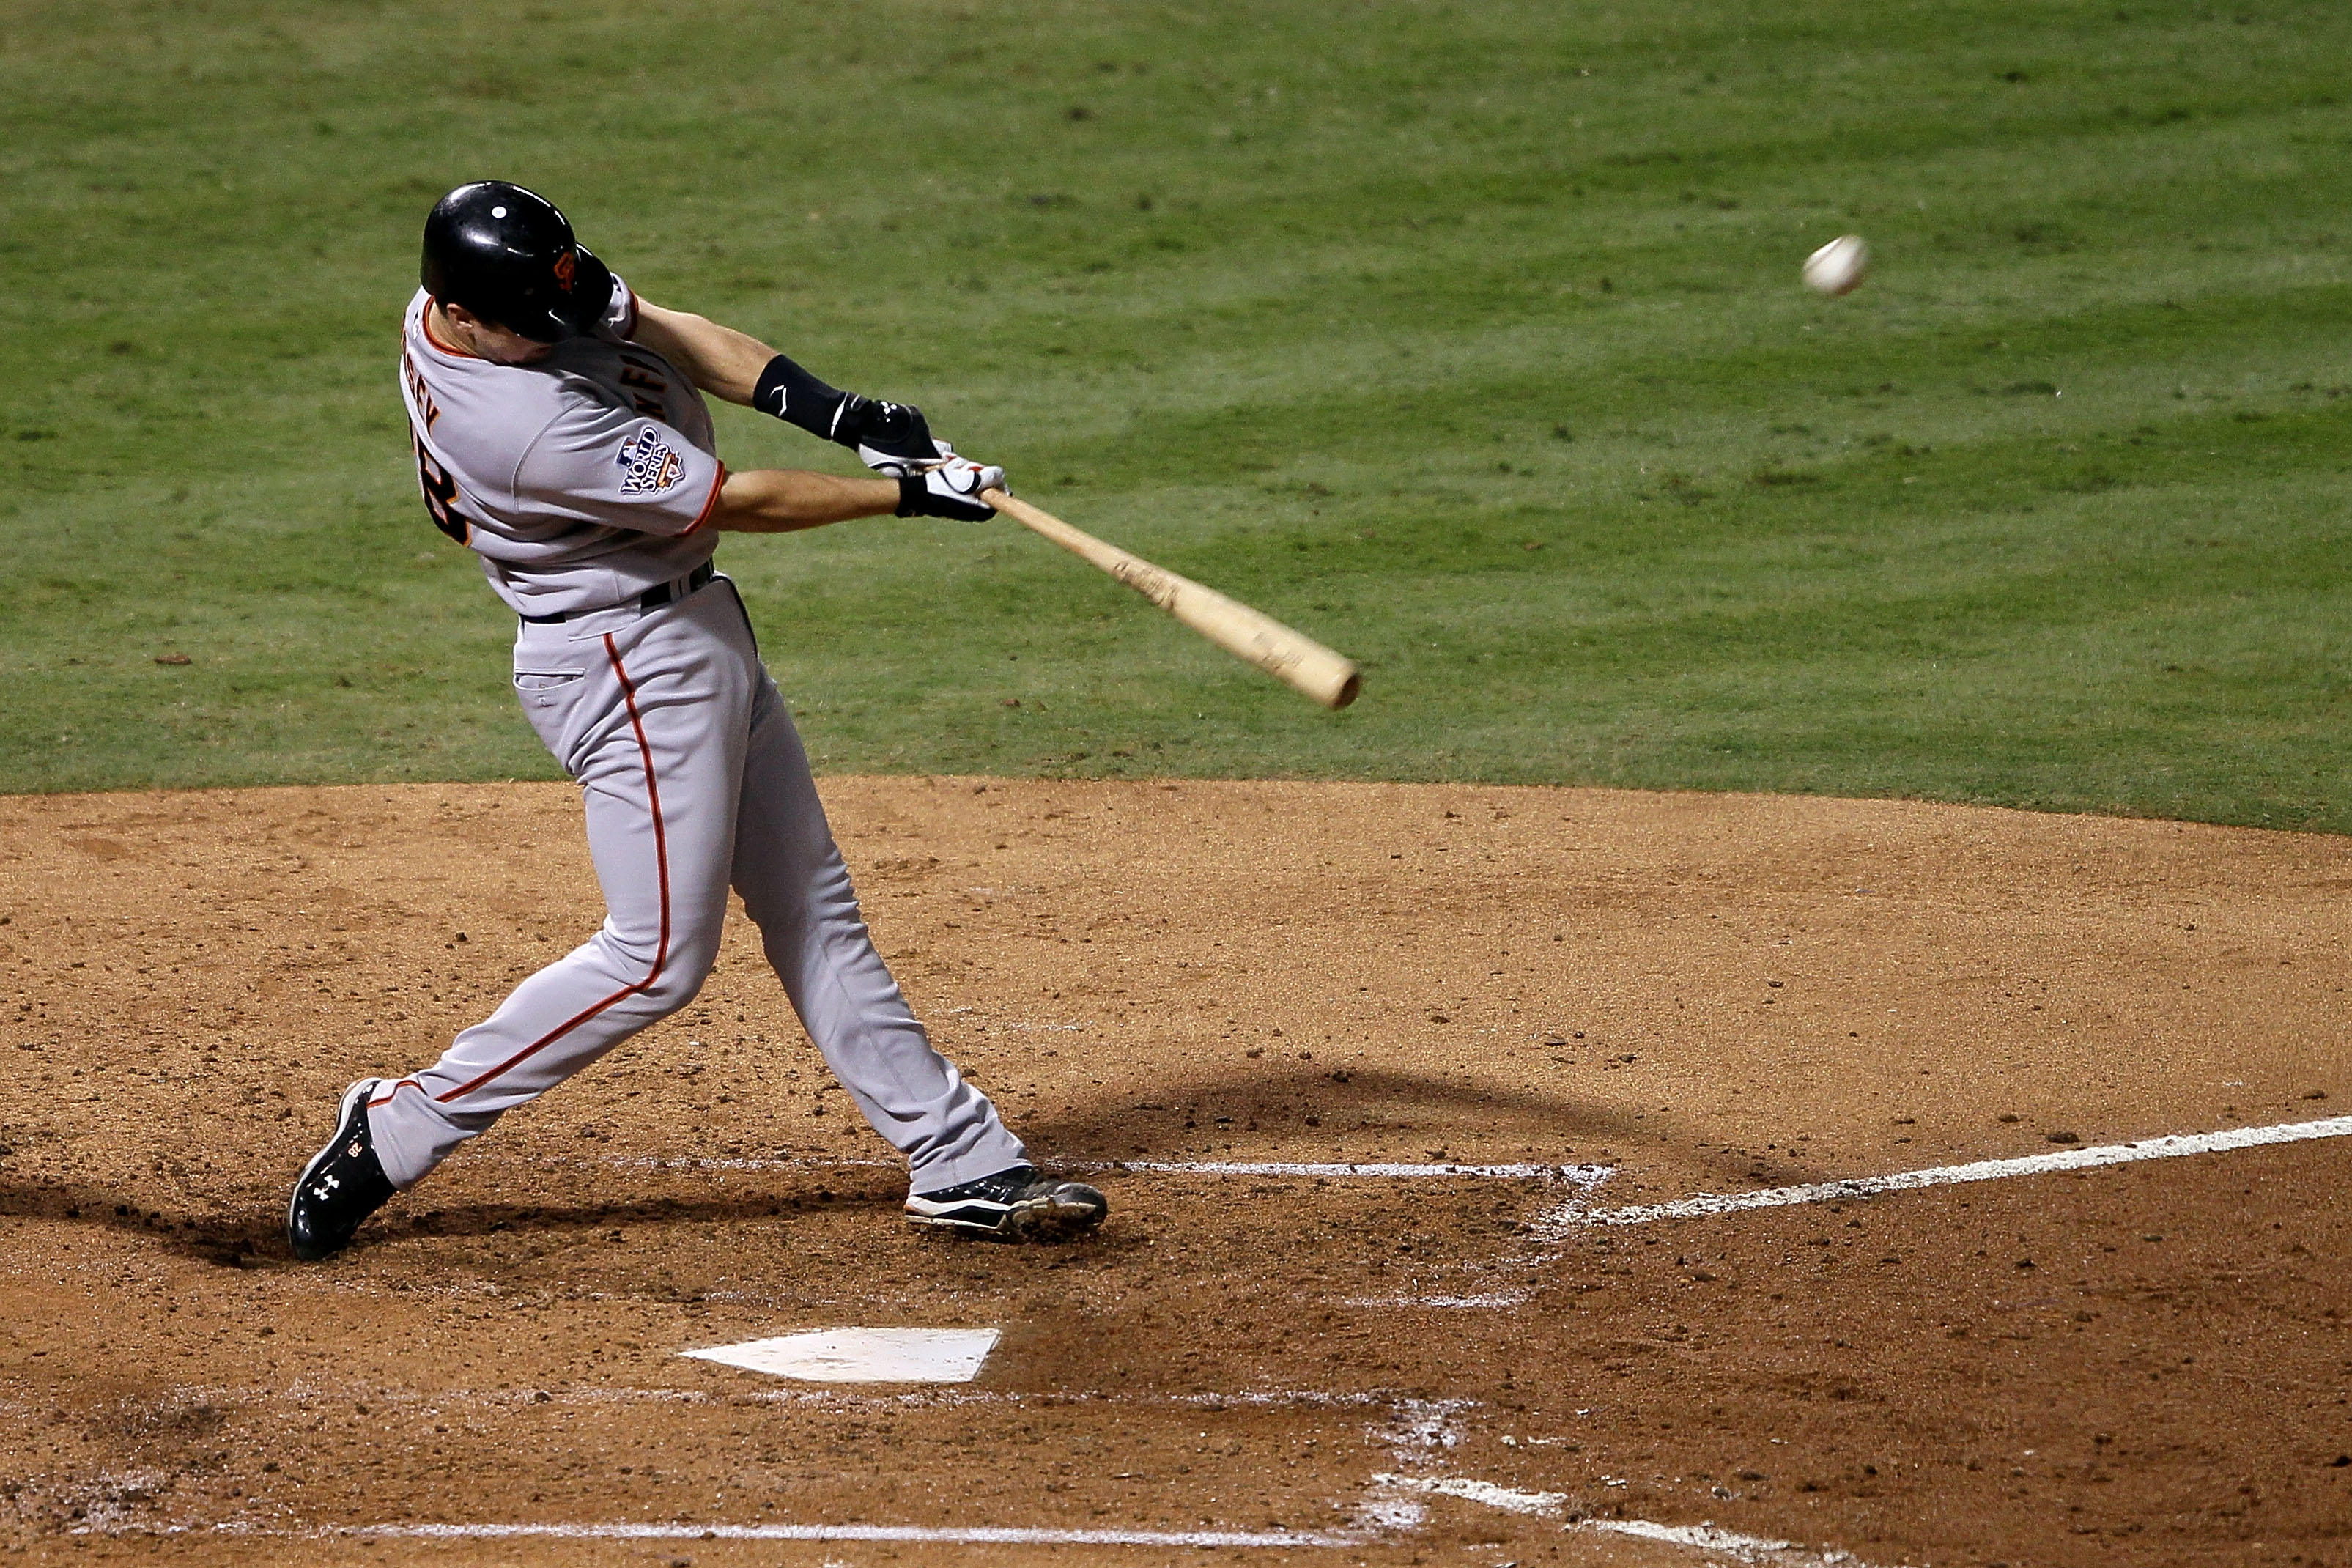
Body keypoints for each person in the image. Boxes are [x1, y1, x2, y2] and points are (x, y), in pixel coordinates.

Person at [285, 180, 1106, 1260]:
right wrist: (911, 495)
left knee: (811, 903)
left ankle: (959, 1160)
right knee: (656, 956)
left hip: (689, 628)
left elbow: (665, 331)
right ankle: (400, 1126)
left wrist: (841, 413)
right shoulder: (518, 428)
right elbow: (736, 499)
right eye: (531, 326)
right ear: (466, 318)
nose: (558, 328)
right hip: (626, 663)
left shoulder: (488, 298)